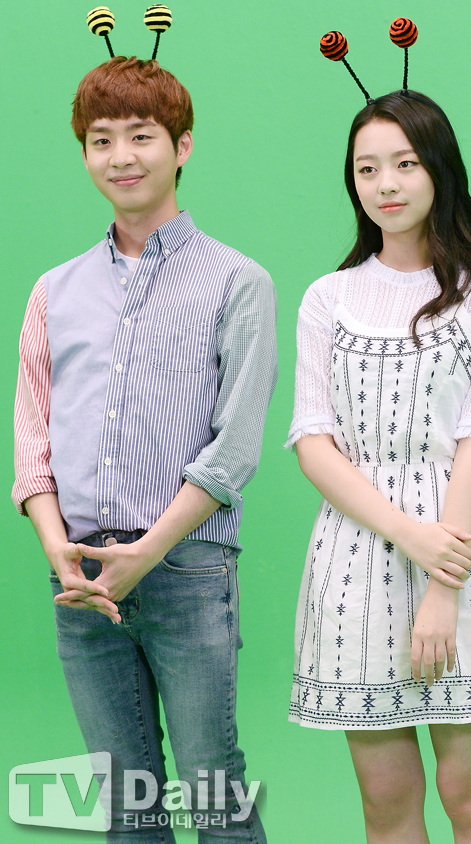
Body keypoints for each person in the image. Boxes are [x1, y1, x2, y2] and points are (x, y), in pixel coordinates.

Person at [12, 55, 277, 843]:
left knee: (212, 785)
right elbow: (32, 437)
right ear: (84, 153)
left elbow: (234, 447)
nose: (121, 156)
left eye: (141, 135)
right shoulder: (53, 290)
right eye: (101, 140)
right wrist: (58, 549)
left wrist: (148, 552)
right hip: (80, 573)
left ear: (182, 145)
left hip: (188, 568)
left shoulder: (237, 281)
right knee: (123, 797)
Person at [287, 89, 471, 843]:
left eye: (404, 164)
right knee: (386, 800)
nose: (385, 184)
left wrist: (442, 584)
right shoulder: (327, 298)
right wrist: (408, 534)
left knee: (470, 796)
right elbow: (313, 443)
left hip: (463, 553)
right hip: (357, 553)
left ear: (439, 169)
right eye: (367, 169)